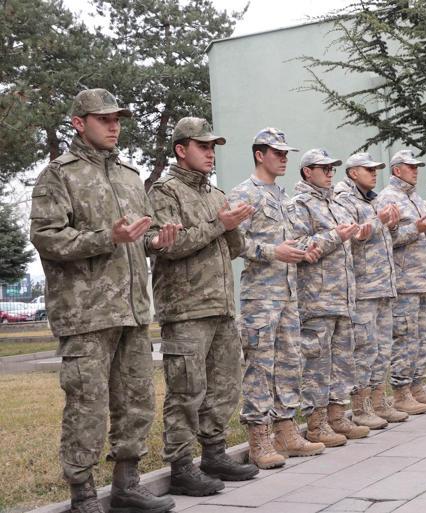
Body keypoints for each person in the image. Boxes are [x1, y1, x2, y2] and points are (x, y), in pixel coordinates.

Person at [30, 89, 178, 513]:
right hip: (86, 312)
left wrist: (156, 241)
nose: (114, 126)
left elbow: (139, 238)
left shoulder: (130, 176)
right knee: (87, 406)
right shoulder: (59, 175)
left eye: (118, 119)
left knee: (136, 401)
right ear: (79, 122)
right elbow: (47, 236)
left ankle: (127, 485)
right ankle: (82, 495)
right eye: (104, 119)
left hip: (132, 310)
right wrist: (106, 237)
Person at [148, 117, 259, 495]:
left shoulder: (215, 194)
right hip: (185, 308)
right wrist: (218, 222)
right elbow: (170, 245)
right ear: (181, 149)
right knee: (186, 391)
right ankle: (180, 465)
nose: (211, 153)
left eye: (213, 147)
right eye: (203, 146)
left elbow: (234, 250)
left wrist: (231, 224)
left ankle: (214, 453)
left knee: (225, 385)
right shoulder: (165, 193)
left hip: (220, 305)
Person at [228, 128, 325, 470]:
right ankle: (259, 438)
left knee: (289, 363)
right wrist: (274, 251)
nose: (284, 158)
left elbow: (292, 239)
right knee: (260, 366)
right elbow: (234, 245)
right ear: (259, 154)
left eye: (286, 153)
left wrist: (305, 250)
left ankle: (286, 430)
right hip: (260, 297)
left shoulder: (284, 197)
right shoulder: (244, 194)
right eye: (277, 153)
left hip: (288, 293)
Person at [291, 148, 370, 445]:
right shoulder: (299, 204)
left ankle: (337, 416)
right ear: (306, 172)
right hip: (317, 298)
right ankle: (316, 423)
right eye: (322, 168)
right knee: (317, 364)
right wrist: (336, 235)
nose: (329, 172)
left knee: (342, 362)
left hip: (342, 297)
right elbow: (300, 247)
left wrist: (354, 235)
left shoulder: (335, 204)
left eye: (332, 168)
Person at [333, 152, 407, 427]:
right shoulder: (344, 200)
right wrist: (380, 222)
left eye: (376, 169)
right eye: (368, 169)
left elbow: (390, 238)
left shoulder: (375, 200)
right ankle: (361, 407)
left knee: (382, 348)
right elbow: (353, 237)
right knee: (363, 350)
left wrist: (393, 224)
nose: (374, 173)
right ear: (352, 172)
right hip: (363, 287)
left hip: (383, 286)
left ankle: (378, 400)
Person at [377, 150, 426, 413]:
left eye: (416, 166)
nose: (415, 170)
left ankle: (416, 386)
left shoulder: (416, 199)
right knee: (404, 337)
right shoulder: (388, 198)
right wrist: (415, 230)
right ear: (396, 170)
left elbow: (423, 237)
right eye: (410, 166)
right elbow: (386, 240)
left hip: (423, 280)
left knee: (422, 338)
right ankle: (401, 390)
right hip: (404, 281)